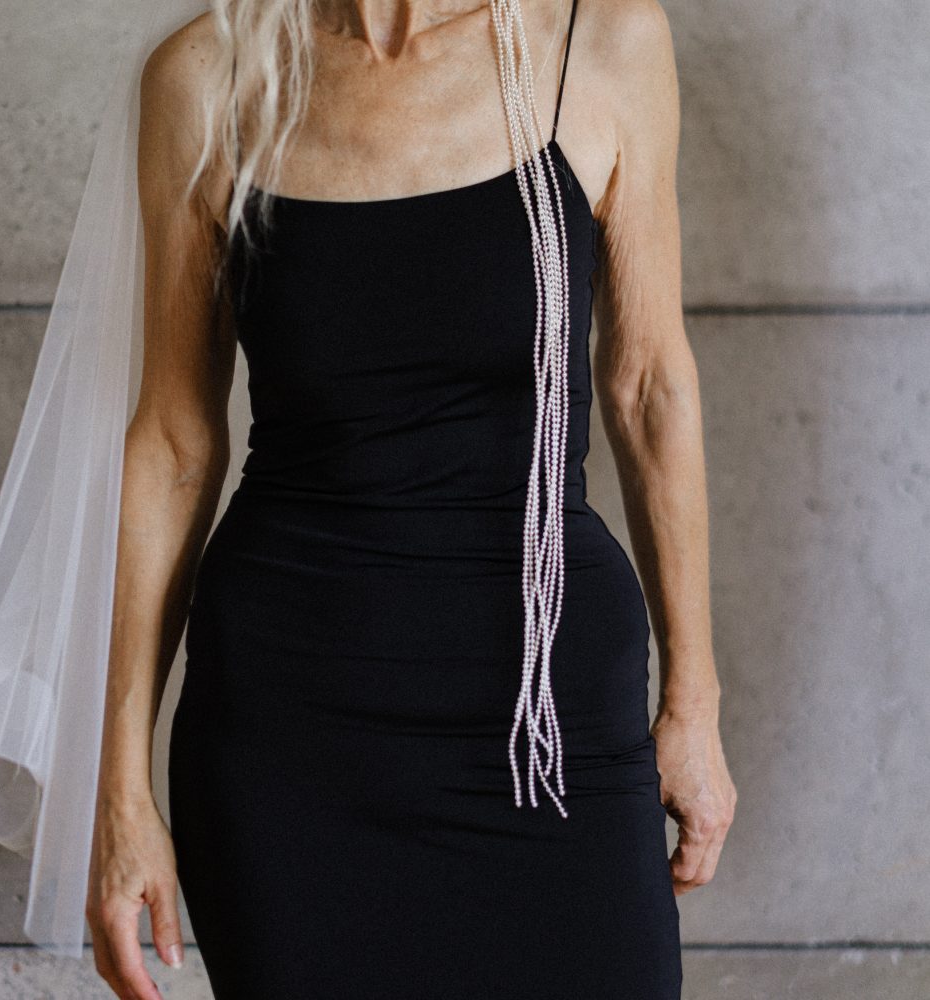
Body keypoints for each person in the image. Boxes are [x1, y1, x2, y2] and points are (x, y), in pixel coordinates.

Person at [79, 1, 733, 997]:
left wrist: (693, 704)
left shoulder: (595, 39)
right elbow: (172, 440)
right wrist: (120, 791)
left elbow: (649, 388)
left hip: (546, 712)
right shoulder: (209, 75)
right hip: (290, 733)